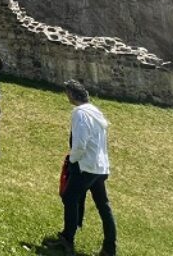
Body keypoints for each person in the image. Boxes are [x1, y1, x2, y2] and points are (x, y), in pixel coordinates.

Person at [51, 80, 117, 256]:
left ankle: (67, 238)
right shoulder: (96, 112)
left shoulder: (80, 113)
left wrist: (73, 160)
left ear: (72, 95)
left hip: (85, 165)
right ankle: (110, 247)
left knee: (70, 197)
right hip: (100, 167)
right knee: (103, 205)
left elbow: (80, 142)